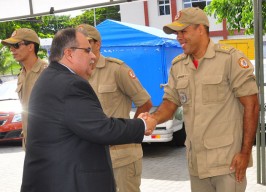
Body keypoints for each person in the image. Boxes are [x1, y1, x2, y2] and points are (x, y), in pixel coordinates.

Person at [20, 28, 157, 192]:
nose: (92, 56)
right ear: (69, 54)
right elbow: (101, 128)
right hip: (66, 182)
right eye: (87, 50)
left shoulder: (52, 76)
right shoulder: (70, 84)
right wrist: (142, 124)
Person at [149, 7, 259, 192]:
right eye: (177, 33)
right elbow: (169, 104)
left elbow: (252, 106)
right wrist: (153, 119)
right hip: (197, 165)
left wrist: (245, 153)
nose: (179, 37)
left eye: (183, 31)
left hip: (228, 163)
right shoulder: (178, 66)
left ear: (201, 29)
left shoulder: (229, 59)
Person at [76, 24, 153, 192]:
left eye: (88, 42)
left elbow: (145, 102)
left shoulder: (116, 69)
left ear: (98, 44)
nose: (85, 48)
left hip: (121, 158)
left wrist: (129, 131)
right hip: (92, 158)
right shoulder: (77, 75)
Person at [1, 28, 47, 149]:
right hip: (30, 142)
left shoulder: (48, 72)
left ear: (30, 47)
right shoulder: (22, 74)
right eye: (11, 46)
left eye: (16, 45)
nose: (12, 49)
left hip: (48, 142)